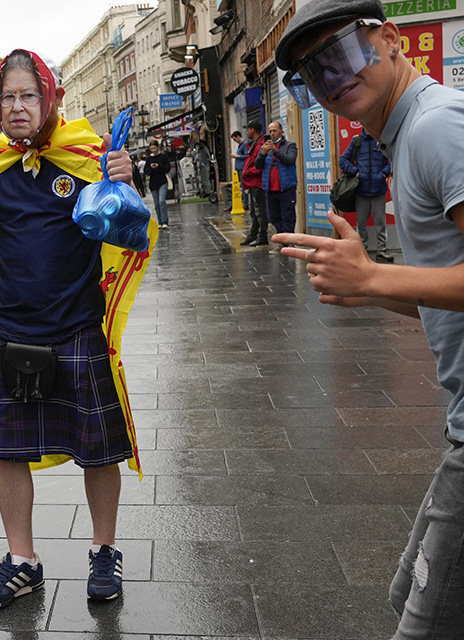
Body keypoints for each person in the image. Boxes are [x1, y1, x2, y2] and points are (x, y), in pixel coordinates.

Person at [272, 1, 464, 637]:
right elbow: (442, 287)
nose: (334, 78)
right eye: (313, 74)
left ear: (388, 38)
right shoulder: (405, 133)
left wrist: (375, 275)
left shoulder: (437, 127)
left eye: (343, 53)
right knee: (409, 595)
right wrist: (371, 294)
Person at [0, 49, 155, 610]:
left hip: (78, 327)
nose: (17, 107)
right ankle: (22, 562)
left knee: (99, 450)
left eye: (27, 95)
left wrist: (126, 182)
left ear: (50, 98)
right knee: (7, 453)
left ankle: (104, 550)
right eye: (7, 97)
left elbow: (133, 229)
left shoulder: (89, 157)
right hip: (9, 331)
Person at [338, 127, 393, 262]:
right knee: (361, 223)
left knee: (380, 222)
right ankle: (361, 249)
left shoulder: (382, 140)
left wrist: (384, 173)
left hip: (378, 189)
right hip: (361, 190)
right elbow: (343, 160)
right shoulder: (357, 141)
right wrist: (356, 172)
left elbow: (393, 158)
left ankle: (382, 249)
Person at [255, 121, 298, 243]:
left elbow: (290, 160)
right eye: (270, 131)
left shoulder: (290, 145)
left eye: (274, 131)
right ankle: (282, 242)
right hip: (270, 189)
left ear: (281, 131)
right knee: (274, 218)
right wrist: (262, 154)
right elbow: (257, 165)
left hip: (286, 188)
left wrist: (276, 151)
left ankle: (289, 243)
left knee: (288, 217)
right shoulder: (265, 148)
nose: (272, 134)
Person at [240, 122, 269, 246]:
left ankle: (262, 236)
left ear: (253, 130)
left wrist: (247, 173)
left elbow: (259, 166)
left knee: (259, 211)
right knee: (254, 211)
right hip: (252, 183)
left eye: (248, 130)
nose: (247, 133)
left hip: (257, 183)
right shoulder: (254, 145)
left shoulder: (259, 146)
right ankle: (253, 235)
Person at [142, 140, 171, 230]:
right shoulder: (148, 159)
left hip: (162, 181)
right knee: (157, 204)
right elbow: (146, 172)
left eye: (154, 148)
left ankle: (165, 221)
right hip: (153, 183)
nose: (153, 150)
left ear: (158, 147)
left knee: (162, 201)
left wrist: (159, 166)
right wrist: (151, 167)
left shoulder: (163, 157)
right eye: (151, 148)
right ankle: (160, 221)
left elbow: (167, 168)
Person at [230, 130, 249, 210]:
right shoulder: (240, 145)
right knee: (240, 186)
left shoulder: (245, 144)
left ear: (238, 136)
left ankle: (245, 202)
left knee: (244, 186)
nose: (234, 141)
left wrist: (237, 156)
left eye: (234, 139)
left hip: (242, 168)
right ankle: (241, 201)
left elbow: (247, 155)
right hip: (239, 168)